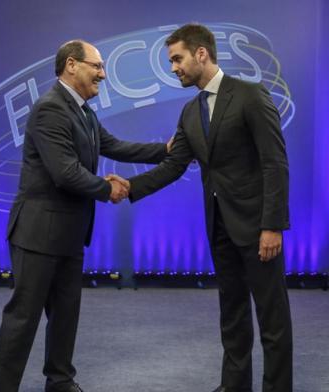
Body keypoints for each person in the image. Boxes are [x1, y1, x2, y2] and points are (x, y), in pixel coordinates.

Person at [0, 40, 171, 392]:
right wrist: (109, 189)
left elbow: (115, 146)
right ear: (71, 65)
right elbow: (65, 173)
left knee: (65, 315)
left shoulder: (84, 111)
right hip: (37, 234)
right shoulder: (49, 109)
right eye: (97, 66)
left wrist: (164, 152)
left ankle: (60, 382)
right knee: (23, 318)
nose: (103, 74)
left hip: (69, 235)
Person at [118, 24, 293, 392]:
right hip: (219, 230)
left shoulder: (249, 94)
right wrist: (129, 187)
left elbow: (274, 163)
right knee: (232, 316)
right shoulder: (189, 111)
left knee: (272, 321)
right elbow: (173, 166)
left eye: (177, 59)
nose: (173, 68)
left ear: (201, 54)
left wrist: (272, 225)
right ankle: (234, 386)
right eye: (171, 62)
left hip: (258, 229)